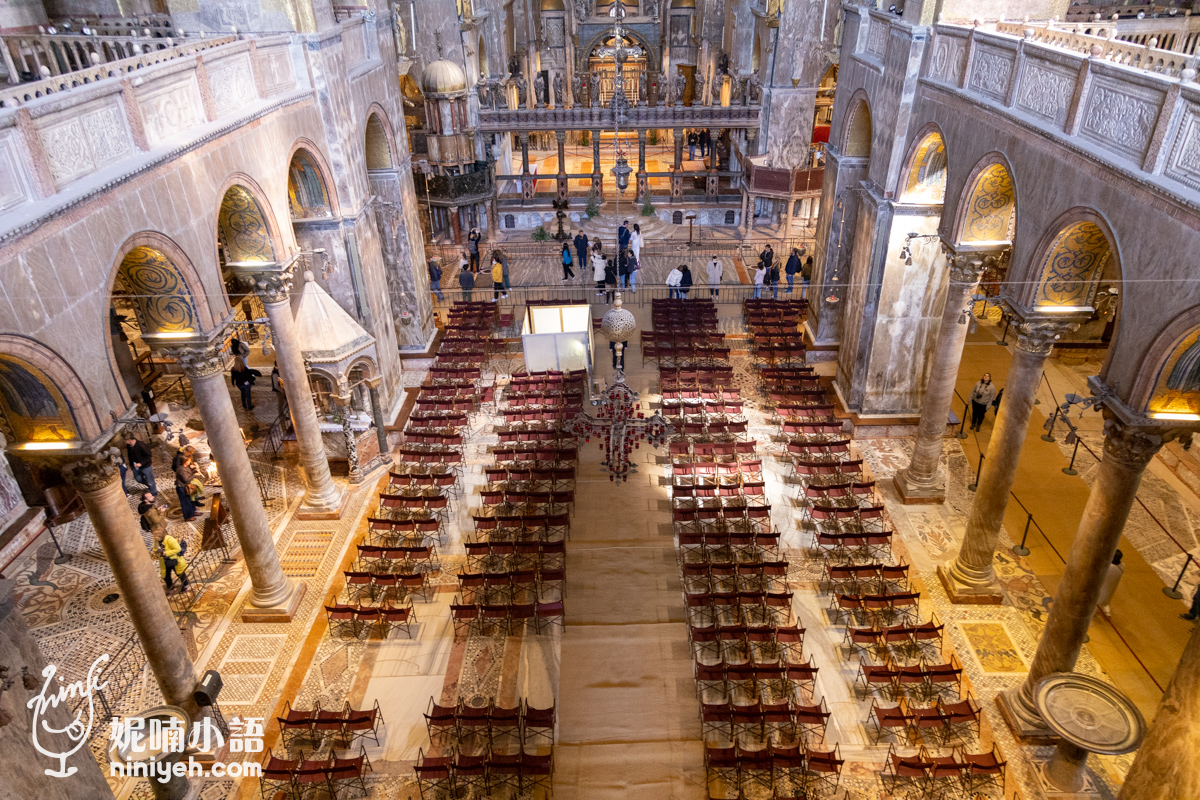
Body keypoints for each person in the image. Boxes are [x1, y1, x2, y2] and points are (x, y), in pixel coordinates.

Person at [156, 529, 190, 594]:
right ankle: (170, 587)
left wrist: (165, 553)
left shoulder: (170, 540)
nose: (154, 537)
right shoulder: (156, 541)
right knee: (166, 576)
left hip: (174, 560)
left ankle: (185, 584)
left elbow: (178, 549)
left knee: (180, 573)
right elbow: (155, 549)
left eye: (156, 536)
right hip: (164, 561)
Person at [1096, 549, 1125, 617]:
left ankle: (1094, 611)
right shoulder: (1122, 566)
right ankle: (1106, 609)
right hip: (1112, 585)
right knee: (1107, 597)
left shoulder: (1108, 566)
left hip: (1104, 584)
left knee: (1098, 597)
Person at [174, 453, 201, 522]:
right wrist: (194, 474)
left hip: (187, 486)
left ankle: (193, 512)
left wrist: (195, 470)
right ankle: (188, 516)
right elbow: (186, 479)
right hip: (182, 488)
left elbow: (189, 473)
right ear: (185, 461)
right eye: (189, 460)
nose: (190, 462)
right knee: (186, 502)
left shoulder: (186, 467)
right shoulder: (181, 469)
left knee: (191, 499)